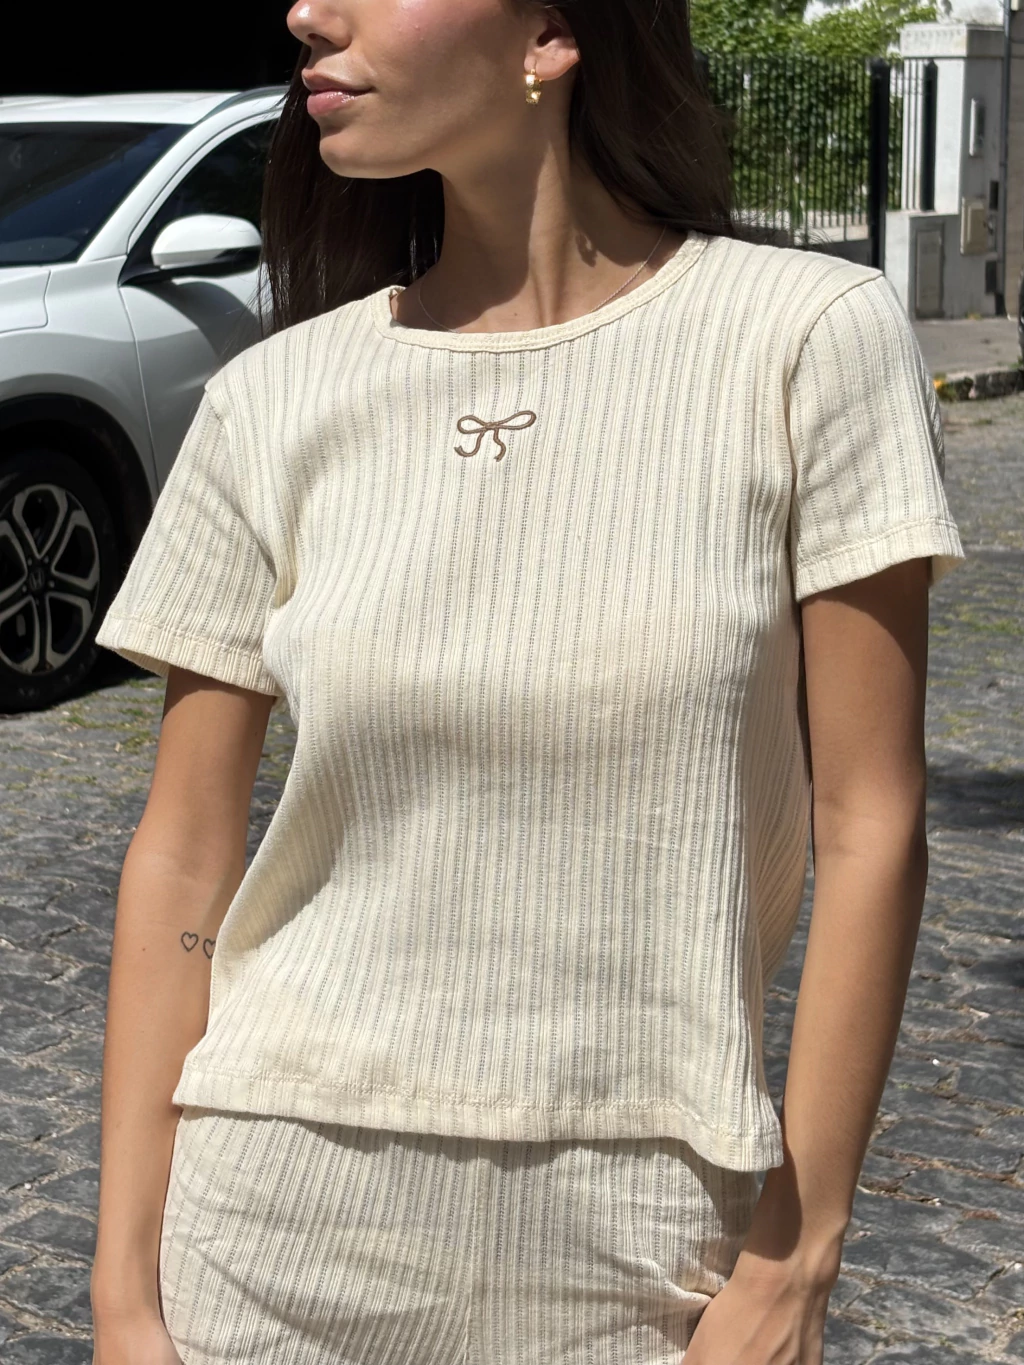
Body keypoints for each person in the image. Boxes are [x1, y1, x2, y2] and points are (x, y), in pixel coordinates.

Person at [88, 0, 965, 1361]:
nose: (305, 13)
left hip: (648, 1253)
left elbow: (872, 821)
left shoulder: (803, 339)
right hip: (266, 1240)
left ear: (550, 33)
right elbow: (185, 856)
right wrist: (122, 1295)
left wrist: (796, 1261)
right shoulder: (271, 401)